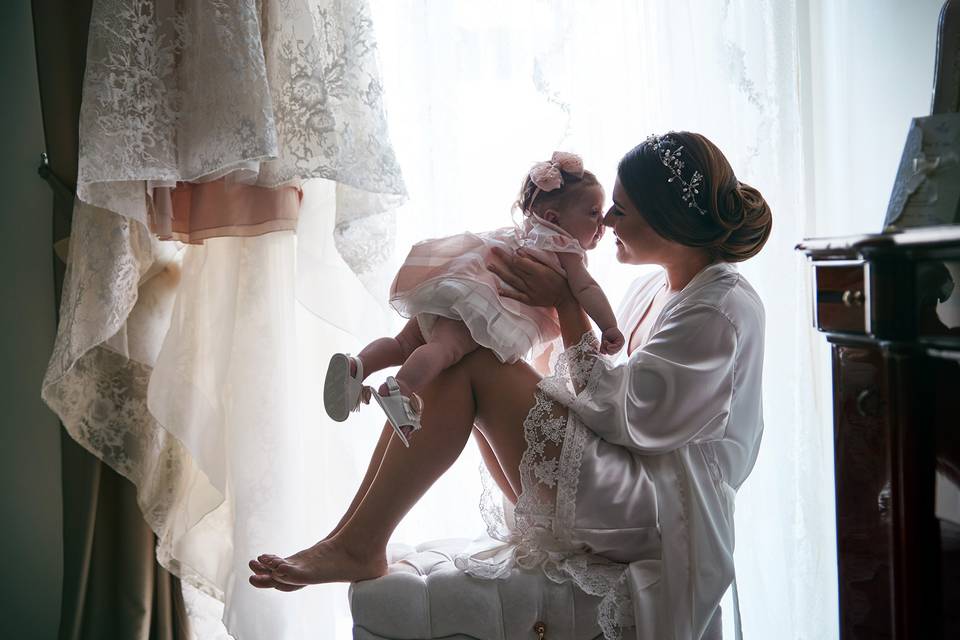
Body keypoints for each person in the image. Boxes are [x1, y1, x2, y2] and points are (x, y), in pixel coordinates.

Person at [249, 131, 772, 640]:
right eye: (607, 207)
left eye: (622, 209)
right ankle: (353, 537)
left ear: (667, 218)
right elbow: (582, 385)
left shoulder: (720, 308)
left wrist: (567, 304)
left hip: (656, 507)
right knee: (466, 346)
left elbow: (635, 419)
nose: (608, 220)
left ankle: (359, 541)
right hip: (625, 478)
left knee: (474, 360)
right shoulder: (655, 288)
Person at [323, 151, 623, 446]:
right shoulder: (565, 249)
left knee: (403, 344)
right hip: (479, 310)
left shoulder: (527, 231)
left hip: (456, 287)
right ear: (553, 218)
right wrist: (608, 326)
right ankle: (400, 388)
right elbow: (588, 290)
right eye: (593, 213)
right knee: (445, 349)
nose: (603, 225)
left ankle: (357, 365)